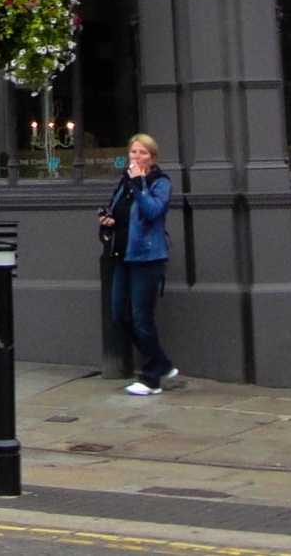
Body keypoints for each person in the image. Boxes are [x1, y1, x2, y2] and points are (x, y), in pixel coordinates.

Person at [99, 133, 178, 397]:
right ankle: (163, 363)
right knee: (119, 314)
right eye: (133, 152)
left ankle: (151, 378)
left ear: (153, 158)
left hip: (147, 258)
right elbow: (118, 212)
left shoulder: (159, 183)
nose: (136, 157)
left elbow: (154, 211)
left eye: (142, 153)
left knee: (142, 318)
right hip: (122, 256)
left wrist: (139, 184)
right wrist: (108, 220)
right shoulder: (124, 183)